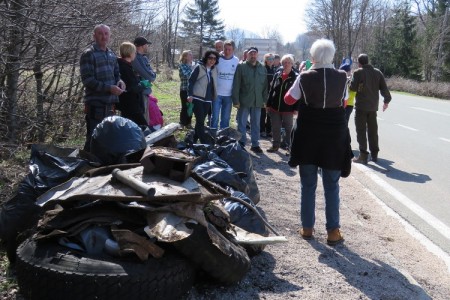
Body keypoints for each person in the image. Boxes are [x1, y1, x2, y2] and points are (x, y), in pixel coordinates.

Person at [284, 38, 352, 246]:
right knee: (332, 185)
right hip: (333, 137)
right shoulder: (342, 77)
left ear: (313, 56)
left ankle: (307, 228)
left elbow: (288, 99)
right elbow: (344, 102)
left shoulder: (304, 77)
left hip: (308, 135)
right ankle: (333, 231)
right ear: (332, 56)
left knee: (308, 185)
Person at [80, 24, 125, 152]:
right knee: (93, 137)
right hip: (95, 104)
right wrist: (109, 88)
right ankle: (85, 166)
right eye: (100, 33)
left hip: (111, 104)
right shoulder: (88, 54)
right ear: (94, 36)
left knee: (107, 137)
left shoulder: (111, 54)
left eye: (106, 34)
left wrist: (120, 82)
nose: (103, 36)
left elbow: (117, 74)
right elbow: (87, 80)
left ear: (110, 36)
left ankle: (101, 165)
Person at [350, 53, 392, 164]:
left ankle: (363, 155)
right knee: (373, 131)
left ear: (359, 63)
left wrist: (350, 80)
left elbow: (353, 88)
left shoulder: (358, 72)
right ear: (367, 61)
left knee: (361, 131)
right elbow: (384, 89)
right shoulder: (378, 73)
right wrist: (386, 101)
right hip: (373, 107)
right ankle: (374, 154)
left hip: (361, 107)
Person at [232, 46, 268, 153]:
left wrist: (264, 100)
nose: (253, 55)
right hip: (244, 100)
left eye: (254, 53)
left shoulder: (262, 68)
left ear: (257, 55)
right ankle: (242, 142)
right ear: (247, 55)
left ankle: (255, 144)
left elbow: (265, 86)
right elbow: (236, 84)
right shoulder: (241, 67)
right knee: (242, 123)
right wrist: (236, 100)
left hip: (257, 101)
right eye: (251, 53)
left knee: (256, 123)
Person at [266, 54, 299, 153]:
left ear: (292, 64)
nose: (286, 64)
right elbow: (272, 89)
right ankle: (275, 145)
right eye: (284, 62)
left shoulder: (296, 77)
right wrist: (268, 104)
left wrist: (296, 108)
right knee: (275, 127)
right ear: (281, 63)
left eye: (289, 62)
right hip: (274, 106)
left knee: (288, 128)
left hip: (288, 108)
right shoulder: (277, 74)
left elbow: (298, 94)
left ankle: (288, 147)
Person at [187, 50, 219, 144]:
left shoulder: (214, 70)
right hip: (197, 97)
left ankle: (193, 141)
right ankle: (205, 143)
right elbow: (191, 81)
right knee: (200, 120)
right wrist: (190, 94)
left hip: (208, 99)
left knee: (200, 121)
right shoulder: (199, 67)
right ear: (206, 58)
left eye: (214, 58)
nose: (212, 60)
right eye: (210, 58)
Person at [116, 42, 147, 128]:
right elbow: (131, 87)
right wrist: (143, 86)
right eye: (134, 52)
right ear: (129, 53)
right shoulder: (124, 67)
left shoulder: (125, 65)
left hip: (129, 105)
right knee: (144, 128)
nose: (135, 54)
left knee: (130, 130)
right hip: (130, 105)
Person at [211, 40, 239, 131]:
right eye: (226, 49)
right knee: (214, 117)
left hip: (229, 95)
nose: (227, 51)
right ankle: (213, 137)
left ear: (233, 49)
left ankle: (222, 139)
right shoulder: (217, 59)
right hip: (217, 93)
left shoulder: (236, 61)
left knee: (226, 119)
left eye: (229, 49)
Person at [132, 36, 157, 124]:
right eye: (146, 45)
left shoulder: (144, 58)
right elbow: (150, 77)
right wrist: (151, 75)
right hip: (140, 95)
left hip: (146, 94)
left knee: (146, 119)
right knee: (142, 121)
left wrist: (152, 75)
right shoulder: (135, 58)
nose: (147, 47)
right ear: (142, 46)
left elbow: (152, 75)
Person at [260, 53, 275, 138]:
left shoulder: (274, 69)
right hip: (263, 94)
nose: (271, 61)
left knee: (270, 113)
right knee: (263, 113)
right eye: (269, 59)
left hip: (272, 94)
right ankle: (261, 130)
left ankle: (269, 130)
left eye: (272, 59)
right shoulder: (262, 69)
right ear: (266, 60)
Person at [178, 50, 194, 128]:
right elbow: (187, 75)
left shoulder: (193, 65)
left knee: (191, 107)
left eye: (192, 54)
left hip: (192, 90)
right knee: (184, 107)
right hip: (184, 89)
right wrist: (192, 68)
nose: (192, 56)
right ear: (185, 57)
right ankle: (182, 123)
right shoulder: (182, 65)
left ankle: (188, 123)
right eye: (189, 55)